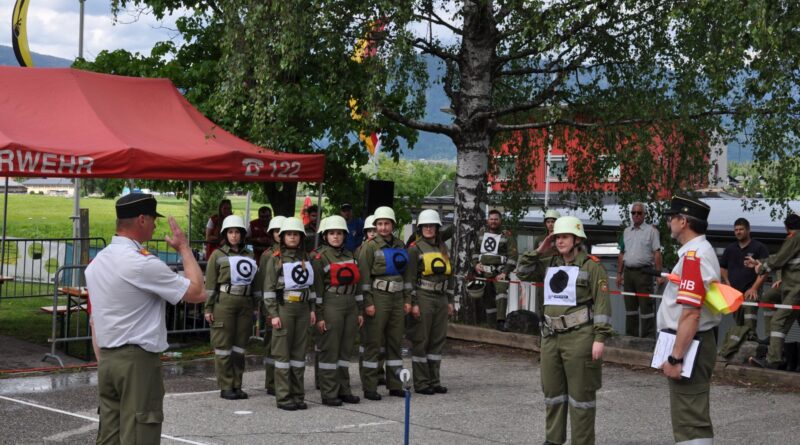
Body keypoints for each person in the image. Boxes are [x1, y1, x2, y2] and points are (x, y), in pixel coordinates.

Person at [86, 193, 205, 444]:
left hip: (107, 358)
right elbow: (197, 292)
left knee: (110, 434)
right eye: (153, 219)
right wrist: (184, 247)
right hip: (136, 359)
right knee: (141, 433)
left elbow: (95, 318)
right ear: (141, 219)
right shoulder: (140, 262)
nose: (155, 225)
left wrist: (103, 356)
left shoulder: (98, 262)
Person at [516, 216, 612, 445]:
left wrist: (600, 337)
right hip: (550, 337)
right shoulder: (550, 263)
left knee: (581, 397)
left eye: (564, 236)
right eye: (557, 237)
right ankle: (553, 439)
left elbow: (602, 304)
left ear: (577, 239)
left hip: (580, 337)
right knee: (552, 394)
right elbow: (522, 271)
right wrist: (540, 249)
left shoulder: (592, 266)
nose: (560, 241)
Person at [656, 195, 720, 444]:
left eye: (671, 218)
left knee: (690, 420)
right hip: (693, 340)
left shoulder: (693, 256)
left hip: (690, 344)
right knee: (689, 415)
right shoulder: (698, 252)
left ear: (683, 221)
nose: (669, 222)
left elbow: (691, 313)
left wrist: (675, 357)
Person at [262, 217, 317, 411]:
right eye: (289, 235)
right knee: (283, 356)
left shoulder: (306, 258)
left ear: (301, 237)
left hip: (302, 309)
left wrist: (312, 309)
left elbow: (311, 286)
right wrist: (273, 314)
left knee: (298, 355)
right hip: (284, 308)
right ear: (282, 237)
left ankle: (298, 395)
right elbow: (268, 290)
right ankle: (284, 397)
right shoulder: (275, 259)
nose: (292, 238)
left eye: (296, 234)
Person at [358, 206, 411, 400]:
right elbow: (363, 278)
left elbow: (405, 274)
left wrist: (407, 299)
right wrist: (368, 302)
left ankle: (395, 384)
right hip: (378, 297)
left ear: (393, 225)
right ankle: (370, 387)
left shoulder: (400, 245)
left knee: (395, 342)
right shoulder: (369, 246)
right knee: (373, 343)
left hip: (397, 299)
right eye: (379, 224)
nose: (383, 227)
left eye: (386, 223)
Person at [204, 215, 258, 400]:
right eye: (230, 232)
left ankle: (237, 384)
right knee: (223, 346)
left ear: (242, 234)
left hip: (245, 302)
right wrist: (208, 308)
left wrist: (256, 306)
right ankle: (226, 386)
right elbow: (210, 284)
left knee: (239, 347)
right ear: (225, 234)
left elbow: (254, 281)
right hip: (224, 302)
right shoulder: (217, 255)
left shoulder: (249, 255)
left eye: (237, 232)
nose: (234, 236)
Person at [312, 215, 364, 406]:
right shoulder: (319, 257)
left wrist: (359, 311)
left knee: (345, 351)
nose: (336, 237)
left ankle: (344, 390)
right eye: (332, 233)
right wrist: (319, 315)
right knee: (330, 351)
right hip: (331, 303)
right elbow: (316, 291)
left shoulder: (350, 255)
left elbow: (357, 285)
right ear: (325, 236)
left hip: (350, 304)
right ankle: (329, 392)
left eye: (339, 233)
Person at [407, 209, 454, 395]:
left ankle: (435, 380)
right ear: (420, 228)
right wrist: (414, 302)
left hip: (441, 298)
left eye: (431, 226)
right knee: (422, 339)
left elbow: (450, 276)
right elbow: (409, 278)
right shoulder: (414, 248)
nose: (428, 228)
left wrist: (450, 300)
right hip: (423, 296)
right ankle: (422, 382)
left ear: (437, 227)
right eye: (425, 226)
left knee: (437, 341)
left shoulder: (443, 248)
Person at [746, 213, 800, 370]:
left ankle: (774, 359)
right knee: (769, 297)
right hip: (789, 286)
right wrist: (760, 262)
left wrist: (761, 268)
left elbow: (780, 258)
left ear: (787, 228)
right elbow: (781, 257)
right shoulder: (795, 239)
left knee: (778, 321)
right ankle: (772, 340)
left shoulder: (794, 237)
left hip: (795, 288)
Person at [617, 202, 663, 338]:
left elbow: (657, 253)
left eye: (639, 213)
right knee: (630, 309)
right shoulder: (626, 231)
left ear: (644, 215)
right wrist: (619, 274)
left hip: (644, 273)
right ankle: (631, 337)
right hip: (628, 273)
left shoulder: (652, 231)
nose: (636, 215)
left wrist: (659, 274)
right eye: (633, 213)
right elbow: (621, 253)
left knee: (646, 308)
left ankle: (647, 339)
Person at [254, 215, 286, 396]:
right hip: (272, 306)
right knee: (272, 345)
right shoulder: (267, 256)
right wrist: (266, 310)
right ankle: (272, 382)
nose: (279, 235)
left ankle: (283, 380)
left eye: (282, 231)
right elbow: (264, 283)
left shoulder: (296, 254)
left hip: (290, 305)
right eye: (276, 231)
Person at [471, 209, 518, 330]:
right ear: (488, 220)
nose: (493, 221)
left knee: (501, 293)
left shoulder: (506, 235)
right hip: (484, 272)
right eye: (491, 219)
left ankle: (501, 321)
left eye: (496, 219)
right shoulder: (481, 234)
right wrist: (475, 264)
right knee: (487, 297)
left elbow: (513, 257)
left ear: (500, 220)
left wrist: (505, 272)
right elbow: (475, 252)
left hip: (499, 272)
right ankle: (490, 324)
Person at [720, 218, 769, 332]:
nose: (738, 232)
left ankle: (750, 344)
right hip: (734, 293)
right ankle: (744, 345)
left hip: (751, 292)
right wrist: (727, 283)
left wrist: (754, 288)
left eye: (741, 229)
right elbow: (722, 267)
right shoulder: (730, 248)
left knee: (749, 321)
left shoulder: (759, 247)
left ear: (748, 230)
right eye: (736, 230)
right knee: (739, 323)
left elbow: (765, 270)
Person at [357, 215, 387, 387]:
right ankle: (367, 373)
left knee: (381, 340)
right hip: (367, 299)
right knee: (368, 340)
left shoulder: (384, 248)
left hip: (383, 299)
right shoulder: (361, 250)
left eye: (374, 231)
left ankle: (379, 370)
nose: (372, 233)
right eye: (369, 231)